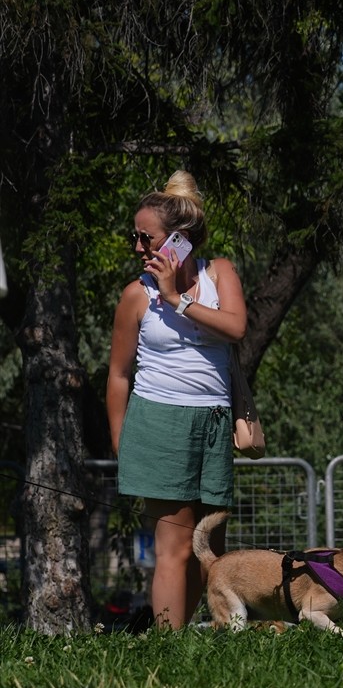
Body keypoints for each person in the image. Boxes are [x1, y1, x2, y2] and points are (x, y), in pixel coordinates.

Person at [107, 170, 247, 629]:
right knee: (175, 547)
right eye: (136, 237)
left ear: (179, 242)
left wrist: (177, 299)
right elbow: (118, 375)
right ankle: (169, 653)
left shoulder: (219, 272)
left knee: (208, 547)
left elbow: (235, 327)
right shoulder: (136, 297)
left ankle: (198, 642)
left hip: (213, 422)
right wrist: (120, 444)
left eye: (146, 238)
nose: (138, 247)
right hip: (159, 422)